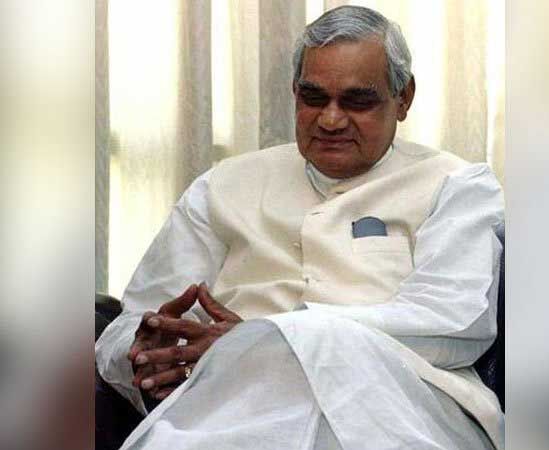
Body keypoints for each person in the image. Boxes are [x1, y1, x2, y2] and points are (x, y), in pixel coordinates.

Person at [96, 5, 504, 449]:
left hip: (395, 405)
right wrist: (148, 349)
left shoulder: (457, 186)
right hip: (229, 403)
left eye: (357, 101)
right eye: (313, 98)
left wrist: (262, 339)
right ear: (294, 92)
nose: (330, 120)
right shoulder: (222, 185)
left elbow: (451, 321)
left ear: (403, 98)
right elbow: (129, 324)